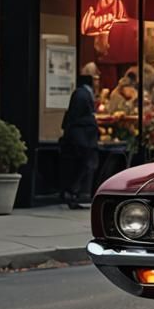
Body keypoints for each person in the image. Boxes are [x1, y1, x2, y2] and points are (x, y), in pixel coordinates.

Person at [60, 72, 100, 209]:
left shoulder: (80, 94)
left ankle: (74, 193)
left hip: (81, 138)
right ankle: (74, 192)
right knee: (83, 166)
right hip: (83, 139)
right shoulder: (83, 95)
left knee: (80, 166)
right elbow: (77, 116)